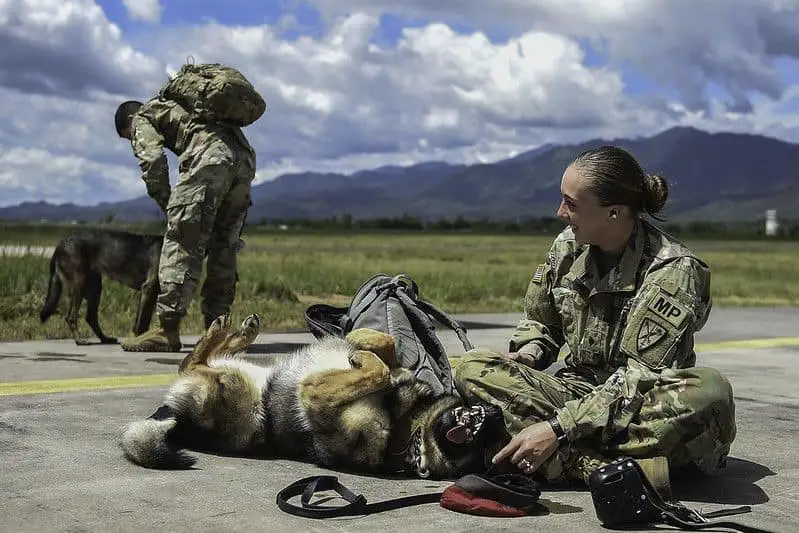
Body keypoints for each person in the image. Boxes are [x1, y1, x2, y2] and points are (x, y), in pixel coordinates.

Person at [451, 145, 736, 488]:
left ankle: (546, 450)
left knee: (709, 392)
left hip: (640, 410)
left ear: (613, 213)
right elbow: (542, 324)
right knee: (472, 367)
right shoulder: (567, 248)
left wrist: (558, 428)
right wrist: (529, 354)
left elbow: (640, 379)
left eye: (571, 203)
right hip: (577, 392)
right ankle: (597, 467)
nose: (560, 213)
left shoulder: (673, 270)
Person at [114, 96, 257, 352]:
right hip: (243, 158)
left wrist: (169, 204)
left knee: (181, 241)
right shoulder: (187, 107)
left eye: (128, 138)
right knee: (224, 246)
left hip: (209, 157)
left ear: (128, 121)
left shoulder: (143, 117)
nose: (132, 142)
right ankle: (218, 333)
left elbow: (153, 161)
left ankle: (165, 331)